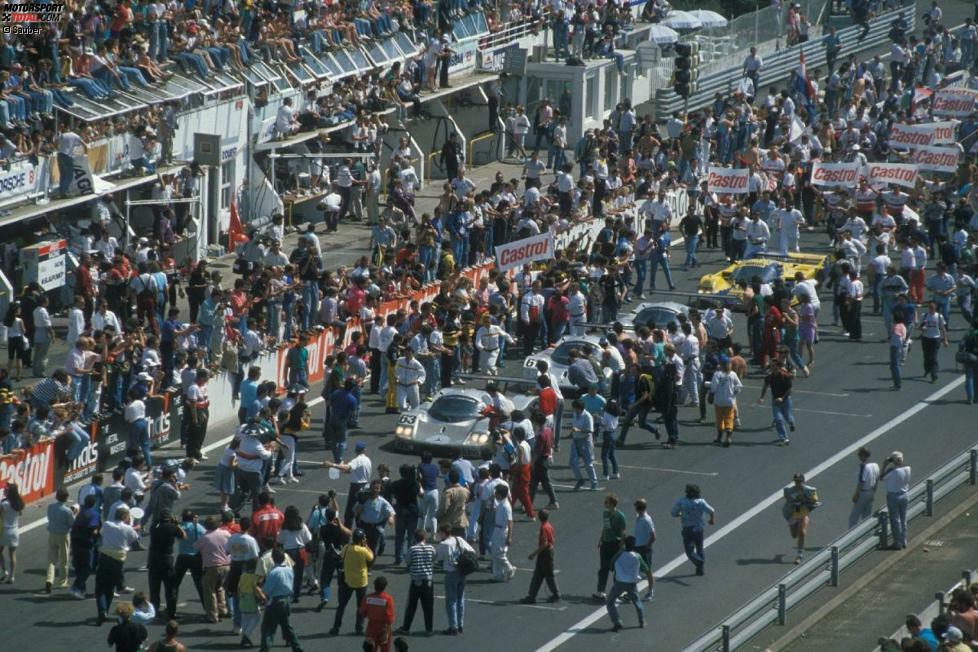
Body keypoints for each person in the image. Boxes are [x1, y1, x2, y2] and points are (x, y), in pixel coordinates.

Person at [95, 505, 140, 625]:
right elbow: (134, 539)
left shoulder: (107, 524)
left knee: (100, 588)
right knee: (110, 587)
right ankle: (106, 610)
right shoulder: (128, 528)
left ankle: (102, 611)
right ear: (125, 517)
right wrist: (134, 527)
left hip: (105, 557)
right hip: (118, 560)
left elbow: (101, 534)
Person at [330, 528, 374, 636]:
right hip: (361, 582)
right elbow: (371, 557)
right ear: (361, 540)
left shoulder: (346, 547)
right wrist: (366, 545)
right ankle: (359, 628)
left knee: (342, 605)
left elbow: (341, 556)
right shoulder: (363, 551)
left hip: (348, 581)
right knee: (360, 606)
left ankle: (336, 628)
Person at [259, 548, 304, 652]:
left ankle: (264, 649)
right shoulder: (289, 570)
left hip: (275, 601)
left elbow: (267, 590)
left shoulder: (273, 572)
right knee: (287, 626)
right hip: (287, 600)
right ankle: (297, 647)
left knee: (268, 628)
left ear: (273, 558)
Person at [605, 535, 652, 632]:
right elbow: (646, 569)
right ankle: (642, 621)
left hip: (619, 583)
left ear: (625, 544)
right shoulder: (637, 556)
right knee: (637, 602)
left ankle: (617, 621)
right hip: (632, 583)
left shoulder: (619, 554)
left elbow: (610, 567)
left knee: (610, 602)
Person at [434, 524, 474, 636]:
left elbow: (437, 558)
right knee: (460, 598)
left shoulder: (443, 544)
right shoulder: (459, 539)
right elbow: (471, 551)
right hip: (462, 572)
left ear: (443, 533)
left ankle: (453, 627)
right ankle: (460, 625)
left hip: (451, 573)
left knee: (451, 600)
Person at [395, 529, 435, 636]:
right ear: (425, 538)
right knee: (428, 606)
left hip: (416, 580)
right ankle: (429, 629)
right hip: (428, 581)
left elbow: (408, 561)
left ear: (415, 538)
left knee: (411, 606)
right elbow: (434, 559)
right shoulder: (431, 548)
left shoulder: (412, 549)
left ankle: (406, 628)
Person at [671, 484, 715, 576]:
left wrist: (680, 514)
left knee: (689, 551)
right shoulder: (701, 502)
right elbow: (712, 511)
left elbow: (673, 513)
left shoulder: (681, 502)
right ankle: (700, 569)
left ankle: (699, 561)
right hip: (699, 528)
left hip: (687, 528)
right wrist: (711, 520)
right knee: (700, 548)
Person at [520, 508, 560, 604]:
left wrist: (534, 554)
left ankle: (556, 594)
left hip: (545, 554)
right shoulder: (549, 526)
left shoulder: (543, 528)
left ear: (539, 517)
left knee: (549, 575)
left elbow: (544, 544)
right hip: (547, 553)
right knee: (538, 575)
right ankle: (531, 596)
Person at [593, 493, 626, 601]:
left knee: (617, 569)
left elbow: (623, 533)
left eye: (606, 502)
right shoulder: (605, 513)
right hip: (605, 543)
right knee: (603, 568)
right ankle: (600, 591)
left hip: (615, 544)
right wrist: (600, 539)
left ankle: (619, 591)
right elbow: (605, 527)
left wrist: (621, 548)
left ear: (612, 504)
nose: (604, 503)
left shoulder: (620, 516)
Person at [782, 474, 820, 564]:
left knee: (802, 532)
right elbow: (787, 500)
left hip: (803, 513)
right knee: (794, 535)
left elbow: (815, 500)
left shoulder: (809, 490)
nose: (798, 483)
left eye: (800, 481)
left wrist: (805, 498)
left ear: (803, 481)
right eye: (796, 481)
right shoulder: (789, 491)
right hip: (794, 513)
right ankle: (793, 527)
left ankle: (799, 555)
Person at [708, 354, 743, 447]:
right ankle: (728, 437)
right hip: (729, 401)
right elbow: (739, 386)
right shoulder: (733, 374)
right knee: (729, 419)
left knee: (719, 419)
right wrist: (734, 393)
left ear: (721, 364)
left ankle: (719, 438)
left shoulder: (717, 374)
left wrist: (711, 395)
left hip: (719, 401)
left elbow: (714, 387)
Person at [45, 487, 75, 593]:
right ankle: (62, 581)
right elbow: (72, 524)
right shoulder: (67, 511)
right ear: (66, 498)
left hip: (52, 534)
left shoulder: (51, 507)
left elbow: (49, 518)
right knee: (64, 559)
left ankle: (49, 579)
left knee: (51, 560)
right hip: (63, 536)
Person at [759, 358, 795, 445]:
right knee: (778, 419)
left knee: (788, 417)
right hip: (775, 400)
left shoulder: (785, 376)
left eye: (773, 366)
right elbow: (765, 386)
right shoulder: (769, 377)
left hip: (786, 400)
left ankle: (791, 423)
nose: (771, 367)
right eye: (771, 366)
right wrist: (761, 397)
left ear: (779, 367)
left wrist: (782, 398)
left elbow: (790, 389)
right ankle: (784, 438)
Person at [881, 451, 911, 550]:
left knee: (895, 520)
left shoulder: (892, 471)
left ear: (893, 460)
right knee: (903, 519)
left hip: (893, 496)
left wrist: (884, 465)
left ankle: (897, 543)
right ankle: (904, 540)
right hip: (904, 495)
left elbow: (881, 477)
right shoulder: (907, 469)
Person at [359, 576, 395, 652]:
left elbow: (362, 612)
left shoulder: (367, 598)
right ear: (384, 586)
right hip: (384, 627)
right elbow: (389, 618)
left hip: (371, 626)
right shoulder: (388, 599)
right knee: (385, 649)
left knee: (370, 648)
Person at [848, 447, 880, 528]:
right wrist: (873, 493)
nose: (858, 456)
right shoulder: (875, 465)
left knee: (853, 518)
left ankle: (852, 538)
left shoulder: (863, 467)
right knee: (866, 517)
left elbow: (861, 482)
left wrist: (856, 495)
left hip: (863, 494)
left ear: (863, 455)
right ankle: (867, 536)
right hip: (871, 492)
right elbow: (876, 480)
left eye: (859, 455)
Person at [0, 482, 25, 583]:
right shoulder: (19, 503)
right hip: (14, 531)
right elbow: (20, 514)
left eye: (6, 489)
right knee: (12, 555)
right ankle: (12, 576)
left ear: (10, 492)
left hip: (4, 531)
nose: (5, 490)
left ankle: (4, 571)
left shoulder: (4, 503)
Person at [918, 301, 949, 382]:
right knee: (926, 356)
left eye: (933, 307)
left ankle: (934, 374)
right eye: (930, 307)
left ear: (935, 308)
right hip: (926, 338)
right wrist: (922, 328)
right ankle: (927, 369)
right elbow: (919, 327)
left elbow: (943, 328)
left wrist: (945, 340)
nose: (931, 309)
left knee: (933, 357)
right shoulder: (924, 316)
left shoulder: (939, 316)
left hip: (935, 338)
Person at [490, 483, 515, 582]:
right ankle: (498, 575)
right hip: (497, 530)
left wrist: (509, 536)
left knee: (499, 553)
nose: (495, 494)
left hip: (501, 531)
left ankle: (509, 568)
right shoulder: (501, 503)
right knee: (494, 552)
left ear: (500, 494)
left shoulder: (506, 506)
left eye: (496, 493)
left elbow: (510, 522)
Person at [633, 499, 656, 601]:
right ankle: (632, 591)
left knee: (648, 570)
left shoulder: (646, 519)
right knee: (635, 569)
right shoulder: (639, 517)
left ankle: (650, 592)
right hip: (637, 546)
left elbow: (653, 536)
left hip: (644, 548)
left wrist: (646, 546)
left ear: (638, 508)